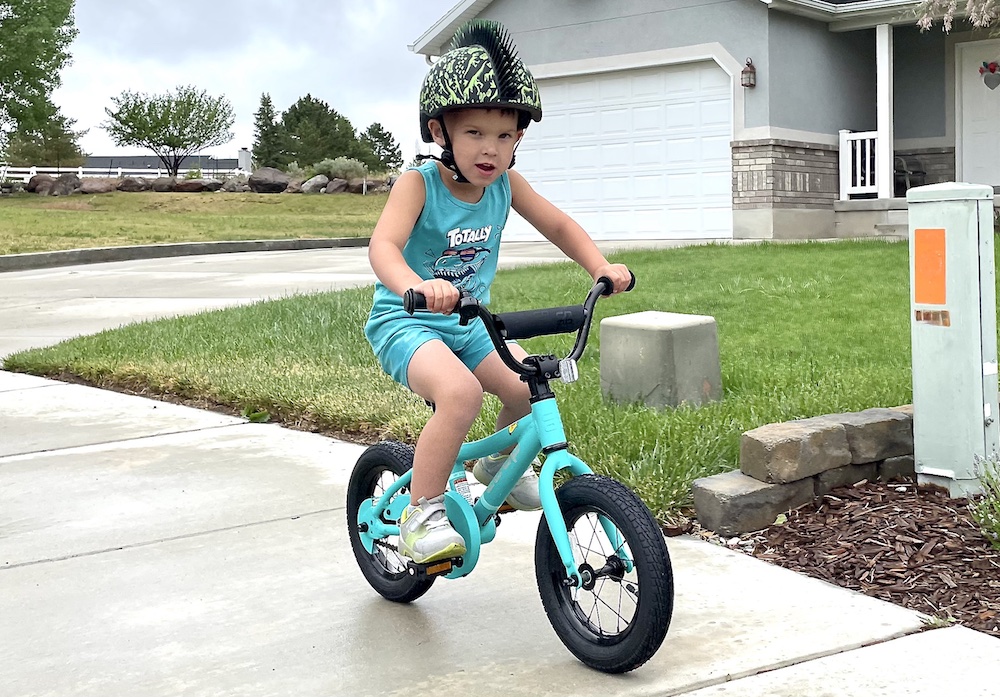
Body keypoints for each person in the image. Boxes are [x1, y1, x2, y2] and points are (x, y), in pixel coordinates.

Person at [364, 19, 632, 565]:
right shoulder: (418, 184)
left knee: (525, 385)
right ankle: (422, 513)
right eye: (475, 133)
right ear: (440, 132)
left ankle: (495, 470)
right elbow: (383, 246)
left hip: (469, 324)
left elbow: (557, 225)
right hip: (406, 322)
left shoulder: (506, 185)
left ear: (518, 140)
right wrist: (417, 286)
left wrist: (600, 266)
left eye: (505, 136)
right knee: (460, 395)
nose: (491, 149)